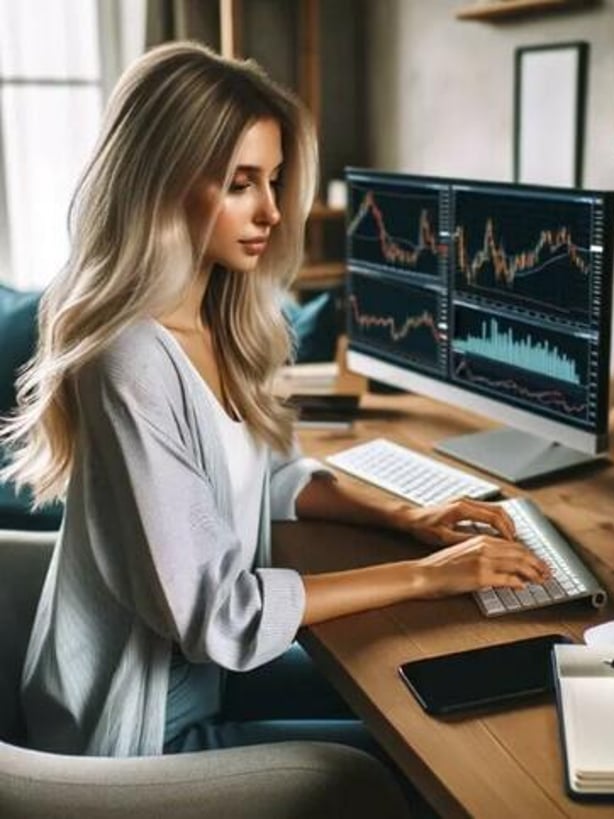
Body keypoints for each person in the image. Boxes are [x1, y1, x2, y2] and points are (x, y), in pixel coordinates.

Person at [1, 40, 548, 779]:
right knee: (411, 768)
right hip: (143, 730)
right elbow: (220, 616)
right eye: (240, 183)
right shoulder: (130, 357)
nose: (271, 209)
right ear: (159, 185)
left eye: (276, 179)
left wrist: (411, 519)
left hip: (209, 680)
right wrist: (430, 575)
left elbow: (276, 479)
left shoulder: (219, 322)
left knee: (427, 690)